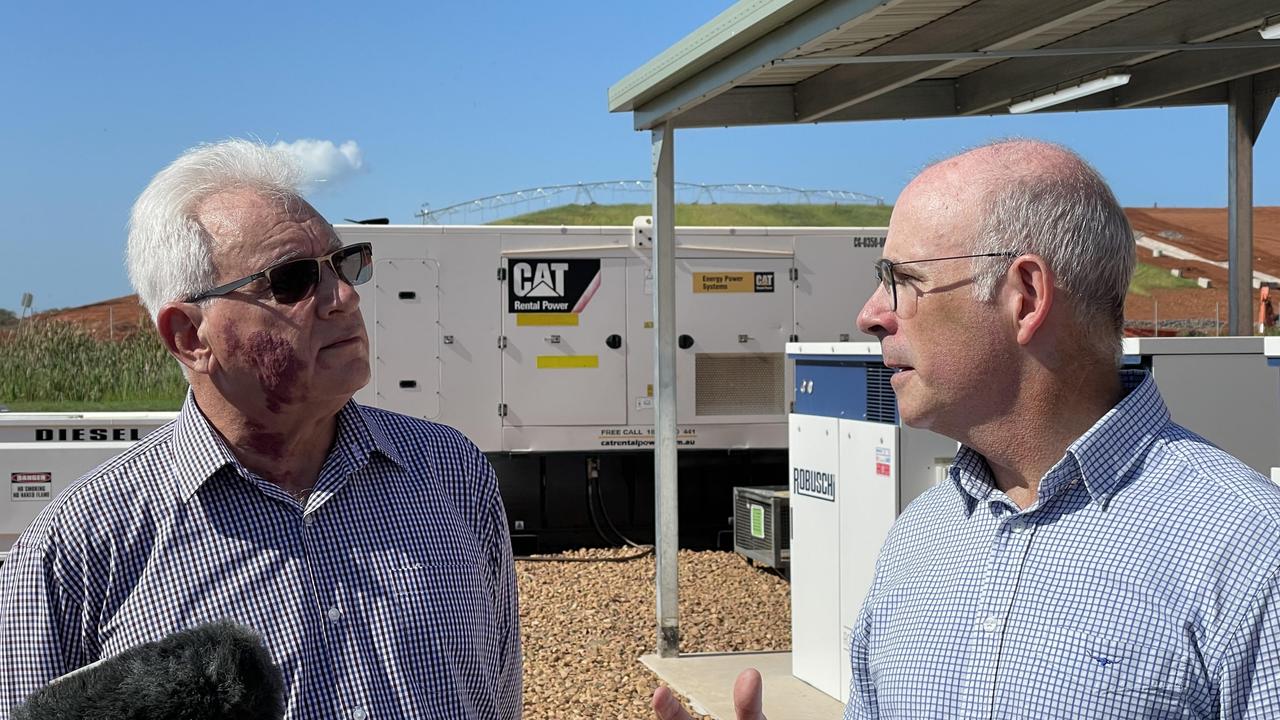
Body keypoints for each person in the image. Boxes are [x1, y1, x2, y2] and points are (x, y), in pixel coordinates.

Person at [654, 139, 1280, 719]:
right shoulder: (918, 541)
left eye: (903, 281)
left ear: (1027, 297)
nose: (870, 314)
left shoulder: (1250, 557)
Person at [0, 139, 522, 719]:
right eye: (294, 280)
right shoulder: (77, 547)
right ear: (188, 336)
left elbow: (499, 696)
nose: (344, 297)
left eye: (346, 263)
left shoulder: (452, 473)